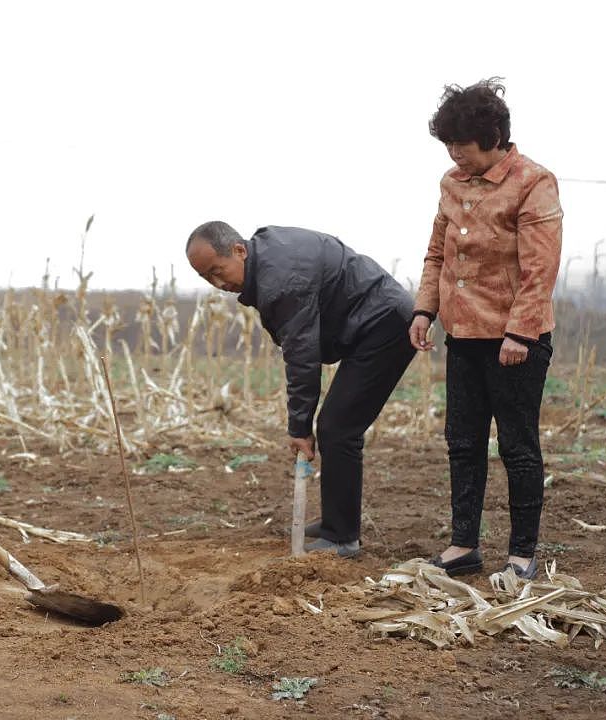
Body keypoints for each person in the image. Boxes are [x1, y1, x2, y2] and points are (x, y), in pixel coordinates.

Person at [186, 222, 415, 557]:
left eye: (218, 271)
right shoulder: (269, 257)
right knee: (336, 425)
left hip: (385, 324)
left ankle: (342, 537)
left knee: (338, 427)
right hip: (368, 322)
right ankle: (336, 522)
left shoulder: (281, 280)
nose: (219, 284)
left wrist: (299, 428)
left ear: (239, 250)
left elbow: (302, 356)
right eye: (207, 278)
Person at [410, 78, 562, 580]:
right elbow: (438, 252)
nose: (455, 155)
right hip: (464, 335)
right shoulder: (451, 184)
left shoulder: (534, 183)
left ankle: (521, 555)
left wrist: (520, 333)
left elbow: (540, 269)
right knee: (462, 441)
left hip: (516, 340)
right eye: (448, 145)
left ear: (494, 136)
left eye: (462, 144)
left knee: (517, 446)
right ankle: (463, 546)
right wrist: (424, 311)